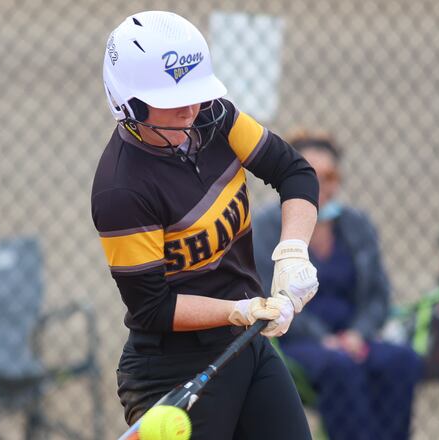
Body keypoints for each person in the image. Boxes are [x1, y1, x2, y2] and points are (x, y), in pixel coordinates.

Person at [92, 11, 321, 439]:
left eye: (195, 95)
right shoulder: (121, 190)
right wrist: (239, 310)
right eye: (174, 100)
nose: (191, 109)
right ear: (130, 103)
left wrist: (292, 250)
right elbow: (153, 307)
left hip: (244, 344)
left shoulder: (215, 118)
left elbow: (295, 172)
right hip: (171, 367)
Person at [252, 131, 422, 440]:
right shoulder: (267, 225)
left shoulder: (357, 224)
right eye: (307, 174)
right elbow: (268, 293)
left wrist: (358, 333)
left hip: (355, 337)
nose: (319, 185)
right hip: (296, 340)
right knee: (341, 369)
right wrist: (325, 339)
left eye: (328, 175)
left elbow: (377, 296)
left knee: (402, 361)